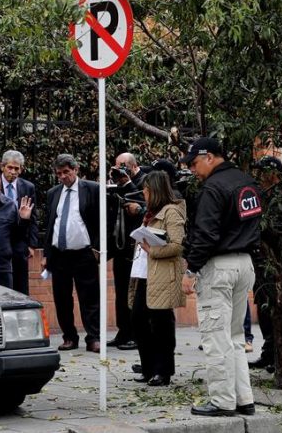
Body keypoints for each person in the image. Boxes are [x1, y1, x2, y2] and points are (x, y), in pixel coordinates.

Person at [180, 137, 262, 417]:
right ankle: (244, 399)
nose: (192, 169)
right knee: (235, 336)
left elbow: (206, 234)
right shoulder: (246, 182)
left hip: (219, 268)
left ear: (210, 157)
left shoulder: (213, 188)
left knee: (216, 338)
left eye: (194, 162)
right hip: (244, 265)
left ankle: (222, 401)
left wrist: (190, 270)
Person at [128, 171, 187, 387]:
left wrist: (152, 249)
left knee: (161, 323)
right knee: (137, 319)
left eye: (146, 189)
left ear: (155, 191)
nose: (143, 193)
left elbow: (177, 245)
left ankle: (163, 371)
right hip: (144, 273)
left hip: (162, 275)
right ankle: (148, 367)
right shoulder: (150, 212)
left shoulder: (171, 212)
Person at [42, 154, 102, 353]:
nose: (63, 177)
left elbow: (102, 220)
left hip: (84, 253)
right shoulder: (53, 193)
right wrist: (46, 254)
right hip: (60, 254)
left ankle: (93, 337)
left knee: (89, 297)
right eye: (59, 174)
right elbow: (50, 223)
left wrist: (97, 247)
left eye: (66, 172)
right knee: (62, 297)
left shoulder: (91, 189)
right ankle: (69, 336)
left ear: (75, 170)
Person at [248, 155, 282, 372]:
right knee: (264, 308)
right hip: (261, 261)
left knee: (277, 309)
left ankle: (279, 356)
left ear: (274, 174)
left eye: (263, 171)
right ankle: (268, 353)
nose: (259, 176)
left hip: (278, 263)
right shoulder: (260, 195)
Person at [108, 153, 146, 350]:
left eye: (122, 166)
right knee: (121, 293)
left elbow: (143, 205)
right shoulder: (119, 183)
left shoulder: (144, 180)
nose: (119, 170)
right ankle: (123, 332)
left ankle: (134, 334)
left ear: (133, 165)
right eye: (116, 166)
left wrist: (128, 183)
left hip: (137, 248)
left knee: (134, 294)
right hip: (121, 247)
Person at [0, 150, 39, 295]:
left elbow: (33, 216)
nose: (13, 172)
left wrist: (32, 244)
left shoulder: (28, 187)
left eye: (17, 168)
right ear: (2, 166)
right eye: (10, 168)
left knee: (21, 285)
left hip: (20, 241)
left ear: (21, 169)